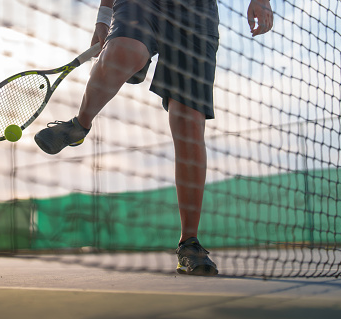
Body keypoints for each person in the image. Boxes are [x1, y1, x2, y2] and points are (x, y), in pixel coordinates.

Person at [34, 0, 274, 276]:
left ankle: (189, 243)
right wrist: (103, 18)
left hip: (197, 14)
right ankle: (79, 125)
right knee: (126, 51)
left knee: (189, 123)